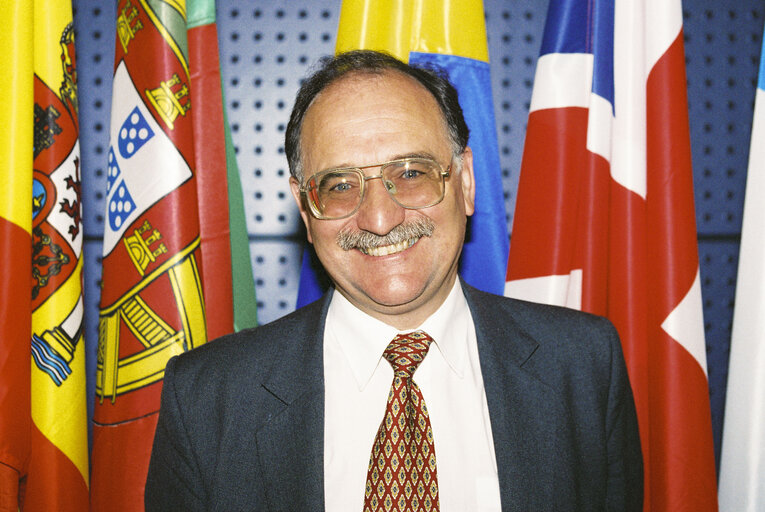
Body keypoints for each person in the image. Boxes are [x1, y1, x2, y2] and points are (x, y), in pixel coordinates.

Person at [145, 50, 643, 511]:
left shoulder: (583, 367)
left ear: (465, 182)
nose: (379, 218)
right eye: (340, 186)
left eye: (410, 173)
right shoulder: (208, 399)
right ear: (304, 206)